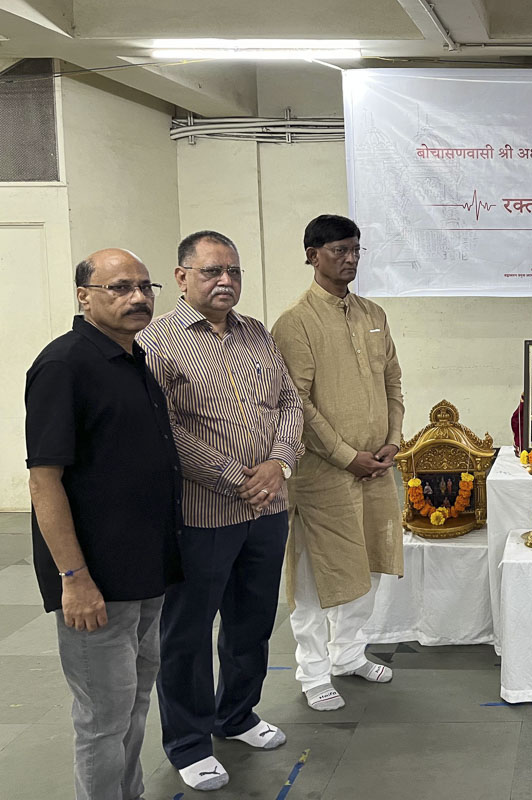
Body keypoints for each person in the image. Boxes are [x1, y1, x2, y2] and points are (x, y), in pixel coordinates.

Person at [138, 230, 303, 791]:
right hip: (202, 515)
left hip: (268, 509)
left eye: (232, 270)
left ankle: (237, 714)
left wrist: (279, 463)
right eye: (212, 271)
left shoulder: (256, 333)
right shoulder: (156, 343)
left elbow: (288, 401)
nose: (225, 281)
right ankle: (188, 742)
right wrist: (237, 477)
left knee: (252, 620)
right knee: (187, 632)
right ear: (182, 277)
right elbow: (166, 430)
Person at [26, 249, 182, 800]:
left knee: (134, 703)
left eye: (144, 286)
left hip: (145, 573)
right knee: (102, 718)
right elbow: (44, 482)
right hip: (95, 583)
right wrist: (74, 578)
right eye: (119, 287)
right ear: (84, 297)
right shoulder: (64, 366)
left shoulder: (135, 359)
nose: (137, 297)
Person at [271, 214, 405, 712]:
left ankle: (348, 654)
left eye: (355, 250)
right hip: (323, 476)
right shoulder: (296, 322)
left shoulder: (373, 313)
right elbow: (296, 404)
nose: (350, 259)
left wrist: (393, 441)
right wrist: (348, 457)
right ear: (312, 255)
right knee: (315, 574)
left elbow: (393, 382)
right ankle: (313, 671)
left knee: (367, 565)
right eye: (339, 251)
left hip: (376, 469)